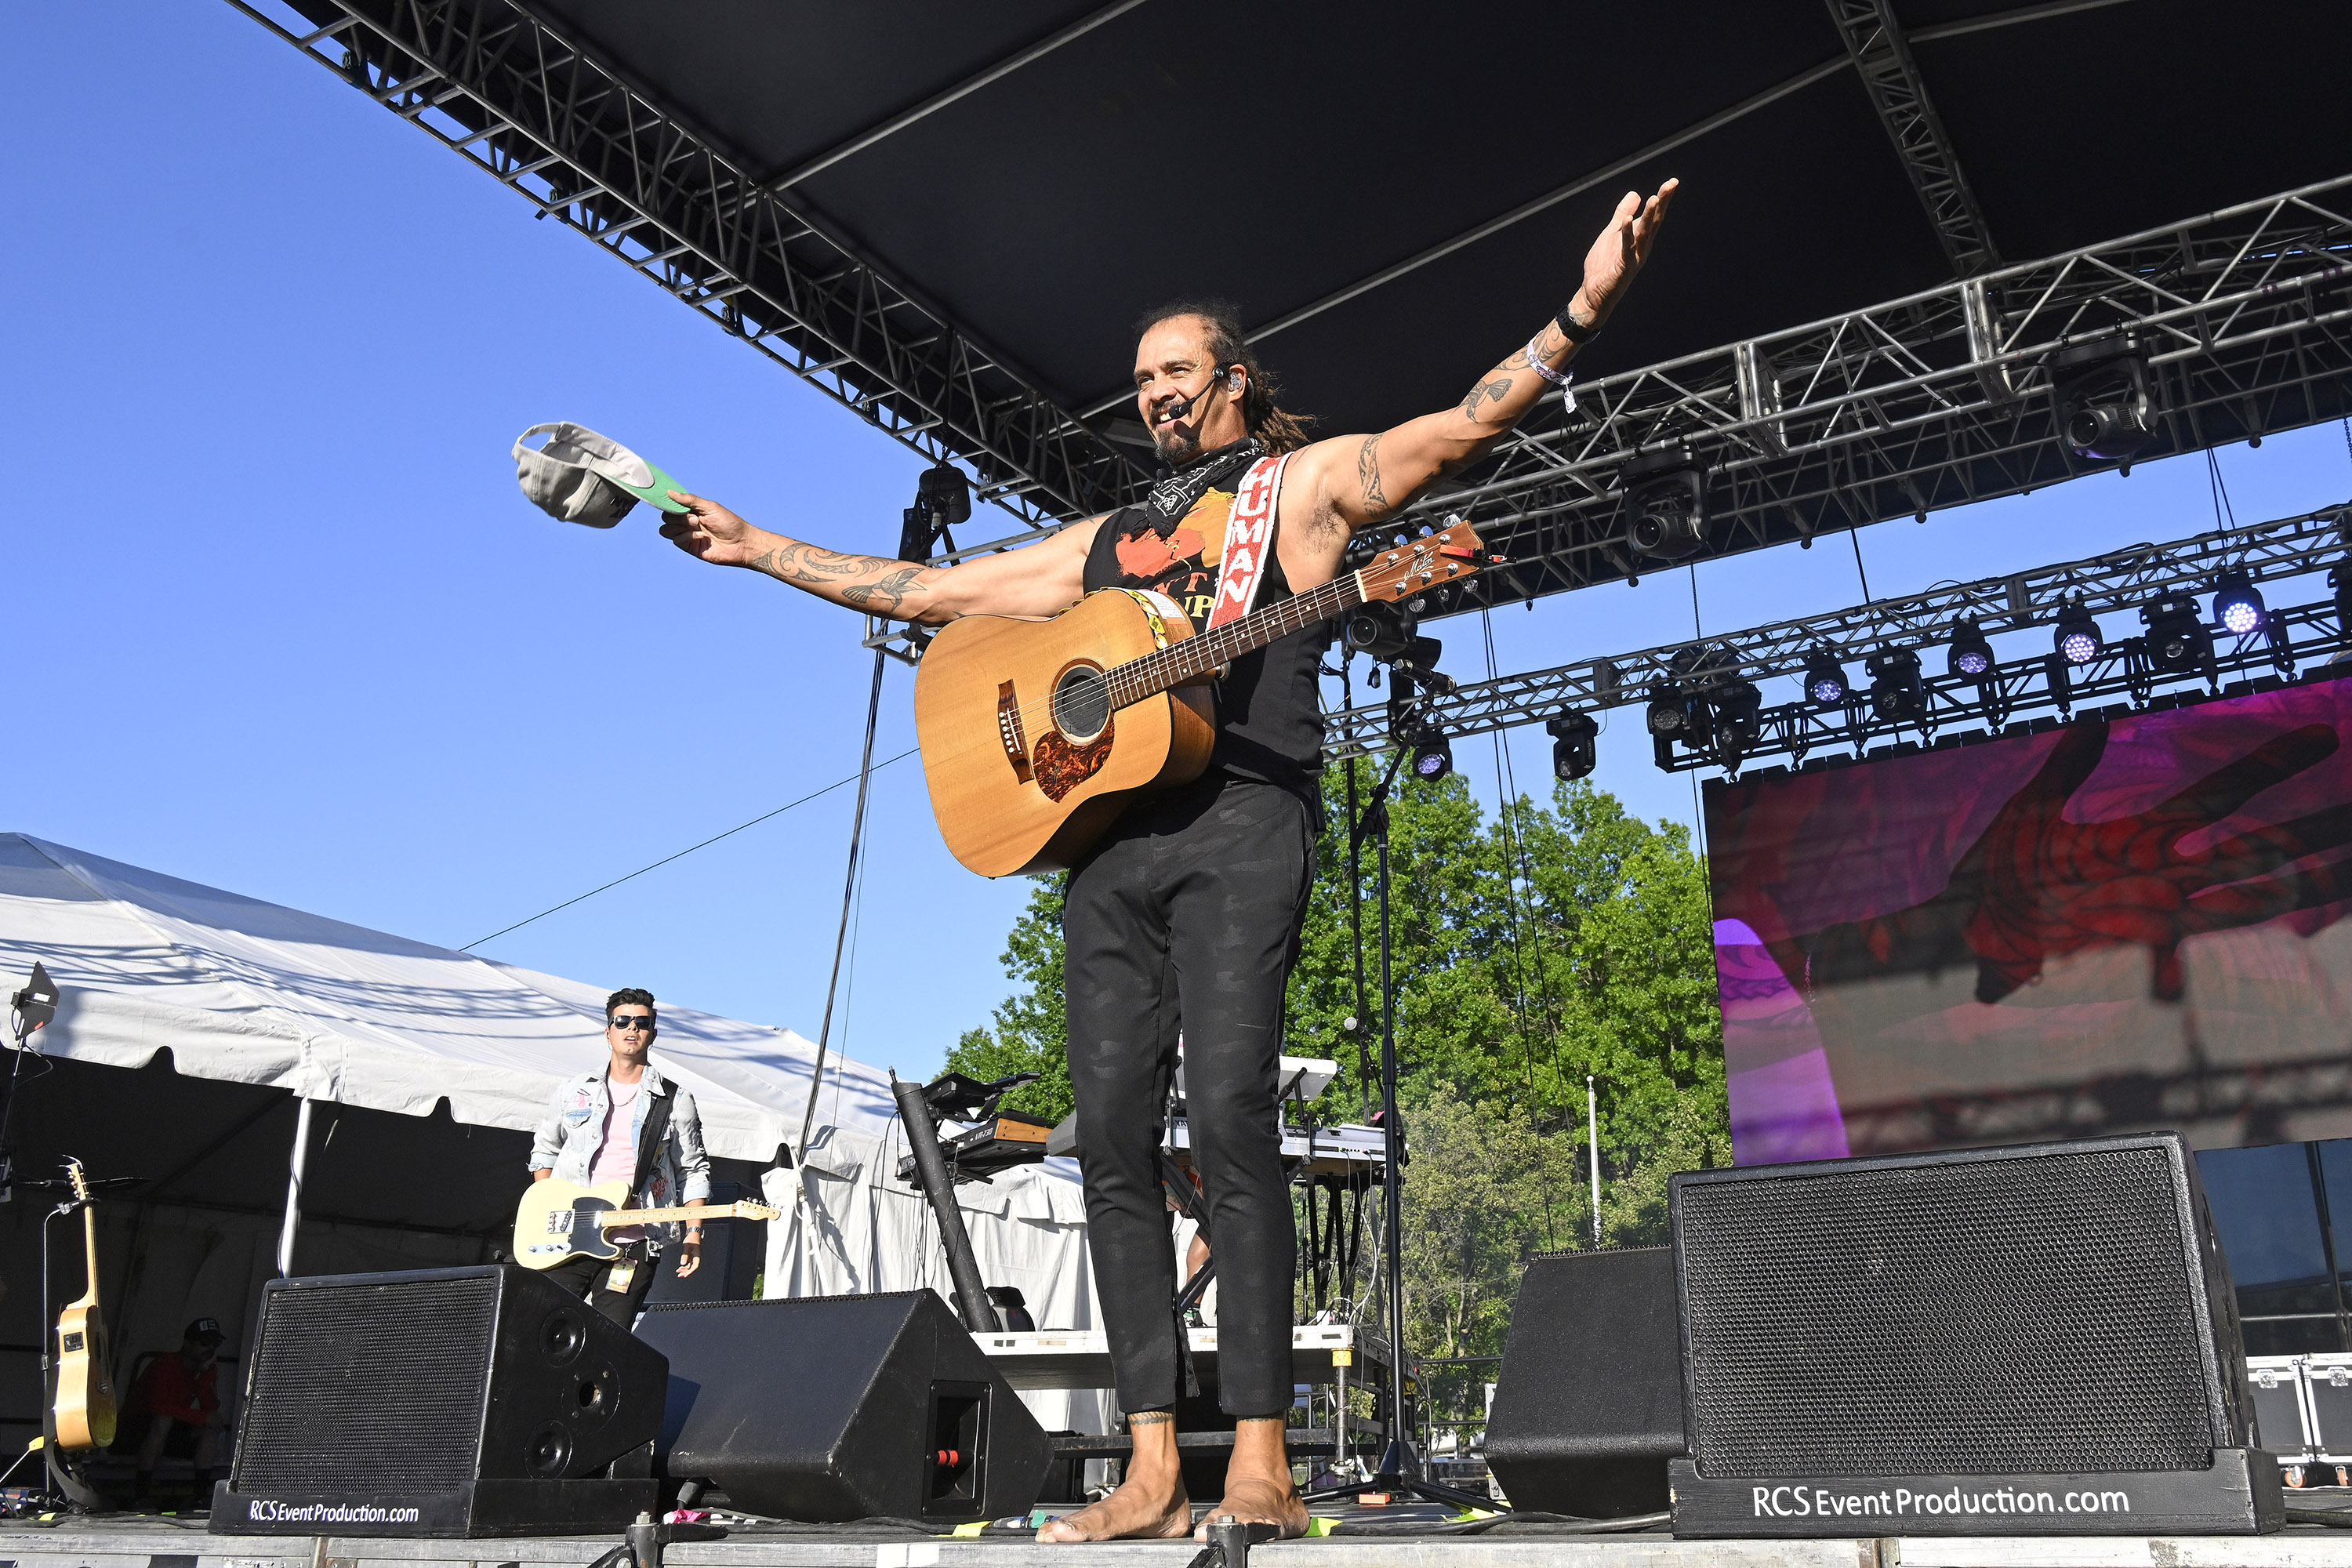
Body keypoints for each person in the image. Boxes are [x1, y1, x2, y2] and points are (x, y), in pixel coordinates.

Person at [653, 180, 1675, 1541]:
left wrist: (1583, 306)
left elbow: (1459, 429)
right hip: (1109, 847)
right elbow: (930, 595)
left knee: (1238, 1123)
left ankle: (1257, 1455)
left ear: (1236, 383)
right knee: (1116, 1145)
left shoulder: (1295, 496)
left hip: (1247, 824)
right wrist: (757, 549)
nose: (1155, 396)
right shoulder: (1107, 550)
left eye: (1178, 373)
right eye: (1140, 381)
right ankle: (1148, 1464)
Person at [528, 988, 712, 1325]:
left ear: (653, 1034)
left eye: (642, 1023)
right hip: (566, 1237)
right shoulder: (575, 1091)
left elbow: (693, 1169)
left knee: (608, 1340)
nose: (632, 1029)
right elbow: (544, 1151)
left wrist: (693, 1233)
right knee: (544, 1328)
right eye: (623, 1021)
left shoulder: (675, 1100)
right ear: (608, 1032)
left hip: (634, 1244)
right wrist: (548, 1209)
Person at [129, 1317, 226, 1508]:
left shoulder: (207, 1370)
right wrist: (202, 1417)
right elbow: (158, 1407)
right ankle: (140, 1495)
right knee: (163, 1421)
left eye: (215, 1344)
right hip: (136, 1433)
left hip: (169, 1434)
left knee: (209, 1431)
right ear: (187, 1343)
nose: (210, 1349)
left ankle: (200, 1496)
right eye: (204, 1343)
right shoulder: (165, 1365)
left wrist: (204, 1376)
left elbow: (211, 1412)